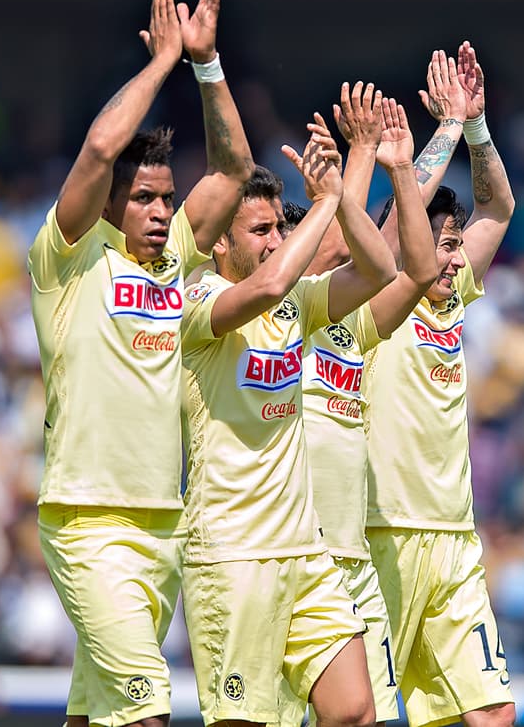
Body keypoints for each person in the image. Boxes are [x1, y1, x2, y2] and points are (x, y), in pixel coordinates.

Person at [28, 0, 254, 727]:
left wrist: (206, 65)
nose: (163, 212)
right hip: (89, 522)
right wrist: (162, 63)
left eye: (166, 198)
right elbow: (99, 146)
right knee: (148, 710)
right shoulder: (69, 260)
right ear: (110, 206)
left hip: (164, 526)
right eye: (145, 199)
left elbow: (232, 171)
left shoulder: (178, 259)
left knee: (96, 715)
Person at [179, 118, 397, 727]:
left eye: (281, 227)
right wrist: (328, 202)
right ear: (220, 242)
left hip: (305, 550)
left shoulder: (295, 309)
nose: (277, 242)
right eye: (262, 229)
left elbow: (379, 270)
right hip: (232, 552)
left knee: (354, 711)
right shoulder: (198, 306)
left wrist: (342, 200)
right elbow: (274, 281)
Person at [362, 42, 518, 727]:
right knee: (355, 715)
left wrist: (478, 126)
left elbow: (499, 207)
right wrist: (446, 127)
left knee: (491, 716)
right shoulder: (375, 293)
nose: (452, 259)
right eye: (441, 245)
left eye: (455, 246)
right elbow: (397, 224)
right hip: (380, 533)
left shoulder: (450, 299)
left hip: (454, 536)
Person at [277, 82, 439, 727]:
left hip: (355, 559)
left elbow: (415, 267)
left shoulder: (352, 326)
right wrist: (354, 166)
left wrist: (395, 155)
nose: (341, 239)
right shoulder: (283, 315)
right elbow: (345, 245)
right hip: (298, 556)